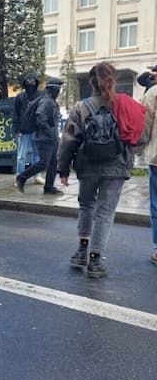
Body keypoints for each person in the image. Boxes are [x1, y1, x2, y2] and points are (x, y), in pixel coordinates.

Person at [57, 62, 145, 278]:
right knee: (105, 212)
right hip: (116, 166)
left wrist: (63, 170)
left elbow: (68, 140)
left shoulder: (81, 107)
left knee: (87, 206)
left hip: (87, 165)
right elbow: (140, 138)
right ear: (113, 79)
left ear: (91, 82)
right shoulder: (126, 104)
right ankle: (95, 260)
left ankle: (81, 251)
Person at [16, 77, 64, 195]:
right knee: (44, 163)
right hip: (45, 138)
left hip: (52, 137)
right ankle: (22, 177)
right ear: (53, 89)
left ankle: (49, 186)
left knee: (53, 163)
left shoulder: (51, 100)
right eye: (58, 90)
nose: (59, 92)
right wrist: (48, 131)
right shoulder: (46, 101)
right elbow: (40, 117)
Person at [12, 73, 45, 186]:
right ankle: (19, 177)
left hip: (36, 130)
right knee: (22, 156)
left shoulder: (41, 96)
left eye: (33, 81)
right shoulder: (20, 97)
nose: (30, 83)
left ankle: (37, 176)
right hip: (24, 130)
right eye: (28, 81)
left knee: (37, 155)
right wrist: (17, 130)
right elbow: (15, 114)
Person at [139, 71, 157, 265]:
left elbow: (144, 126)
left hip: (156, 157)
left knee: (156, 203)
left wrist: (136, 150)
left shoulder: (152, 94)